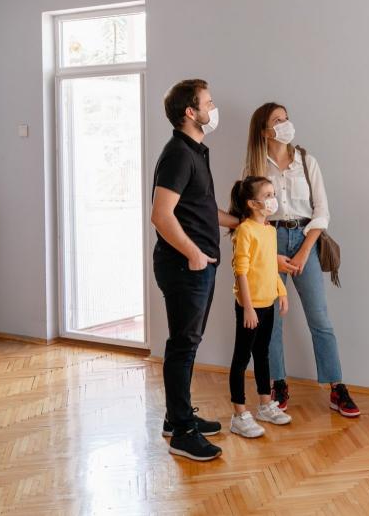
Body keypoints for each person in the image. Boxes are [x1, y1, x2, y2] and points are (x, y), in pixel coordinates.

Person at [242, 102, 360, 418]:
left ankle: (337, 386)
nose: (285, 124)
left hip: (305, 238)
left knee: (319, 318)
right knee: (273, 322)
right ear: (264, 131)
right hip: (269, 242)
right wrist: (271, 256)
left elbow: (321, 212)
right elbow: (250, 217)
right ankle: (278, 383)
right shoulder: (255, 167)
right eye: (277, 120)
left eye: (286, 118)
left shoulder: (306, 161)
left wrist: (306, 249)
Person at [151, 79, 240, 461]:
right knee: (183, 347)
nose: (213, 108)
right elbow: (161, 215)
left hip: (200, 265)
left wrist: (240, 222)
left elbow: (201, 209)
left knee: (188, 344)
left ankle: (178, 417)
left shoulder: (196, 151)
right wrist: (193, 254)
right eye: (209, 102)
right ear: (191, 112)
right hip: (185, 267)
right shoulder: (177, 154)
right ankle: (183, 434)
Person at [226, 177, 293, 438]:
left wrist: (282, 292)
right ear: (253, 203)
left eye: (273, 193)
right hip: (250, 307)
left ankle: (266, 404)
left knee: (262, 354)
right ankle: (239, 414)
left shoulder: (269, 230)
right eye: (268, 194)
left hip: (269, 303)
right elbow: (240, 272)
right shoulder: (245, 231)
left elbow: (270, 267)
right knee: (241, 358)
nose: (273, 198)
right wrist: (248, 308)